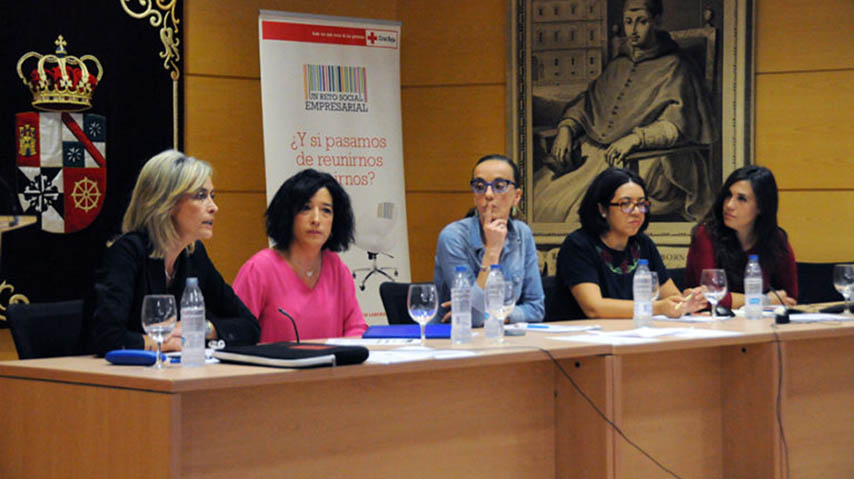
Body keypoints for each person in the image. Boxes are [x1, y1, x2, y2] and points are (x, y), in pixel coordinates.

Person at [533, 0, 715, 226]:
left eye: (642, 22)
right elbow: (589, 103)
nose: (633, 30)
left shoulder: (676, 66)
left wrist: (635, 138)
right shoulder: (618, 64)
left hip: (648, 157)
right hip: (599, 153)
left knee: (579, 209)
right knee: (542, 193)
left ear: (656, 22)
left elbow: (676, 126)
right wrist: (566, 128)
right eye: (628, 22)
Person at [85, 150, 260, 356]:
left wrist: (198, 328)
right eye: (201, 196)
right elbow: (107, 338)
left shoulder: (193, 254)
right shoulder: (127, 253)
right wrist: (164, 343)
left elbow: (250, 326)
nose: (214, 207)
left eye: (212, 196)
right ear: (167, 204)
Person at [551, 167, 706, 320]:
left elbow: (670, 294)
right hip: (581, 338)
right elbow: (594, 308)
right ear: (602, 209)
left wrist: (684, 301)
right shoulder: (579, 245)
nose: (636, 211)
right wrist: (657, 308)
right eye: (625, 204)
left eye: (641, 204)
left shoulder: (642, 243)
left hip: (633, 334)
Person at [233, 169, 367, 342]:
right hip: (275, 368)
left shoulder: (336, 267)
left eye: (326, 210)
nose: (316, 219)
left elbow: (356, 327)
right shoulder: (259, 269)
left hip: (331, 367)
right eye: (306, 208)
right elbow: (237, 332)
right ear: (288, 215)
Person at [433, 154, 545, 325]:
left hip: (505, 340)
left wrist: (496, 314)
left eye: (499, 186)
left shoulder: (523, 234)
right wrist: (492, 252)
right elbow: (472, 318)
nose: (488, 194)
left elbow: (536, 309)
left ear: (516, 196)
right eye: (480, 186)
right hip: (455, 342)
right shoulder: (453, 237)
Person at [685, 165, 797, 309]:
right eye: (728, 195)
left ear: (761, 207)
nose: (729, 205)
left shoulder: (776, 240)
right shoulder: (705, 235)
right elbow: (710, 297)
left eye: (741, 199)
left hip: (761, 325)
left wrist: (740, 301)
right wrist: (764, 300)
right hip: (711, 325)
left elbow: (789, 298)